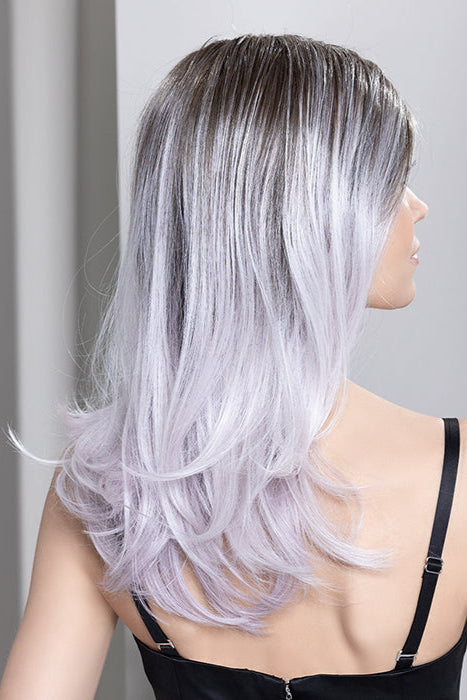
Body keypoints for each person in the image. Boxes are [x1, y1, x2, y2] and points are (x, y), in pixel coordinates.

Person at [1, 33, 465, 700]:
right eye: (390, 181)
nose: (416, 205)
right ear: (308, 214)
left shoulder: (106, 488)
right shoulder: (457, 477)